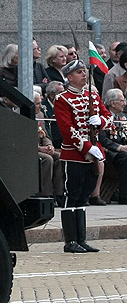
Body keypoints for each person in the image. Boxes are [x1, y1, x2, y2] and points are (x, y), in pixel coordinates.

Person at [54, 59, 109, 253]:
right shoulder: (63, 99)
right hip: (74, 154)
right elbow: (67, 129)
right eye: (78, 72)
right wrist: (86, 147)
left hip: (94, 153)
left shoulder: (92, 94)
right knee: (72, 195)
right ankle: (71, 241)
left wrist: (100, 120)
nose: (84, 74)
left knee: (84, 195)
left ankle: (81, 239)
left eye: (84, 71)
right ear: (69, 77)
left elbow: (108, 117)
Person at [99, 88, 127, 204]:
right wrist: (119, 147)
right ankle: (124, 195)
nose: (124, 103)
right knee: (125, 159)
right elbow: (103, 139)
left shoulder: (122, 117)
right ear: (113, 103)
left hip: (123, 148)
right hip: (110, 151)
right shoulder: (103, 116)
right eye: (121, 100)